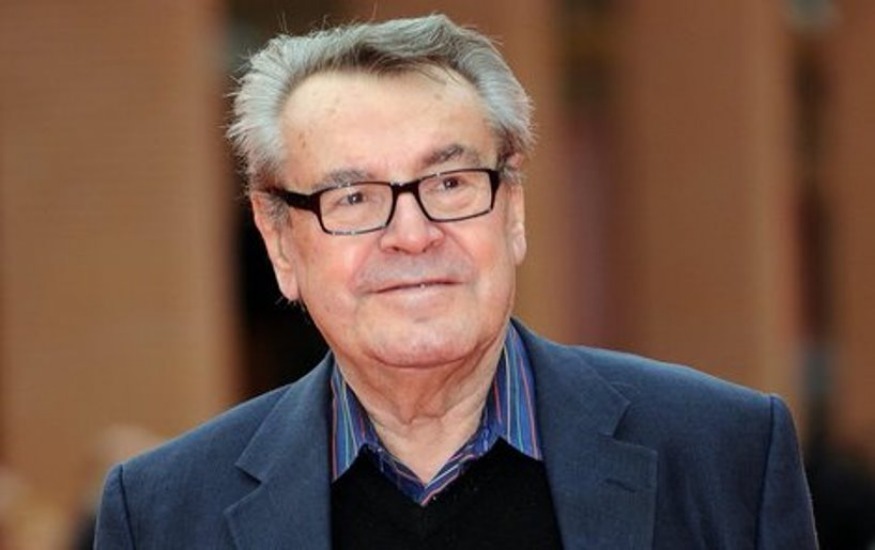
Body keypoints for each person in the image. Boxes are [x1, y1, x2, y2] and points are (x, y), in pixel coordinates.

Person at [94, 14, 817, 549]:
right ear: (280, 241)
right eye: (353, 198)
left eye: (449, 183)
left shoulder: (724, 455)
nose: (412, 234)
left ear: (513, 210)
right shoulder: (161, 514)